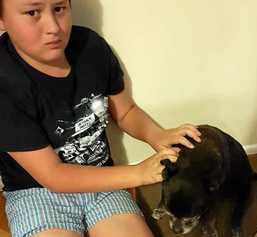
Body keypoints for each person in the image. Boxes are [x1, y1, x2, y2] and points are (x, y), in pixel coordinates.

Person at [0, 0, 202, 237]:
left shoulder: (90, 47)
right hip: (36, 192)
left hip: (104, 179)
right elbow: (54, 176)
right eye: (33, 12)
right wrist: (139, 172)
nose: (53, 27)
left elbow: (125, 111)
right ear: (2, 19)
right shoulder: (5, 81)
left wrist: (157, 135)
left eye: (59, 8)